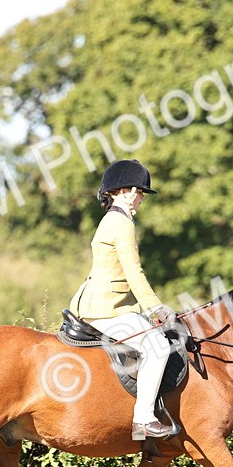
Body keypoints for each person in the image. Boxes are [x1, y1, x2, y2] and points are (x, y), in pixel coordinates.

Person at [70, 159, 179, 440]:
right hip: (107, 308)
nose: (142, 198)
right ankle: (144, 420)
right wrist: (156, 308)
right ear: (126, 192)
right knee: (157, 345)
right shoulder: (121, 223)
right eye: (140, 192)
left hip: (104, 303)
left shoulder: (113, 219)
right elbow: (133, 272)